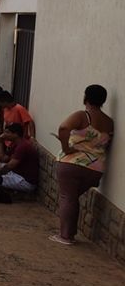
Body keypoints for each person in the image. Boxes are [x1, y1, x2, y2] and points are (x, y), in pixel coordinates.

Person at [51, 85, 114, 245]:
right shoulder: (109, 122)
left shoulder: (82, 115)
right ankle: (70, 233)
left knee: (67, 197)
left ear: (86, 97)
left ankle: (65, 236)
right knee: (72, 198)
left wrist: (66, 147)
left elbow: (63, 127)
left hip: (73, 163)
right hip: (95, 168)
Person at [0, 123, 38, 193]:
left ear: (15, 134)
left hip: (25, 181)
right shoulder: (15, 144)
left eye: (7, 132)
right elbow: (2, 159)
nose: (4, 134)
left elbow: (10, 166)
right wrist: (0, 142)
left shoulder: (23, 146)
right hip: (17, 174)